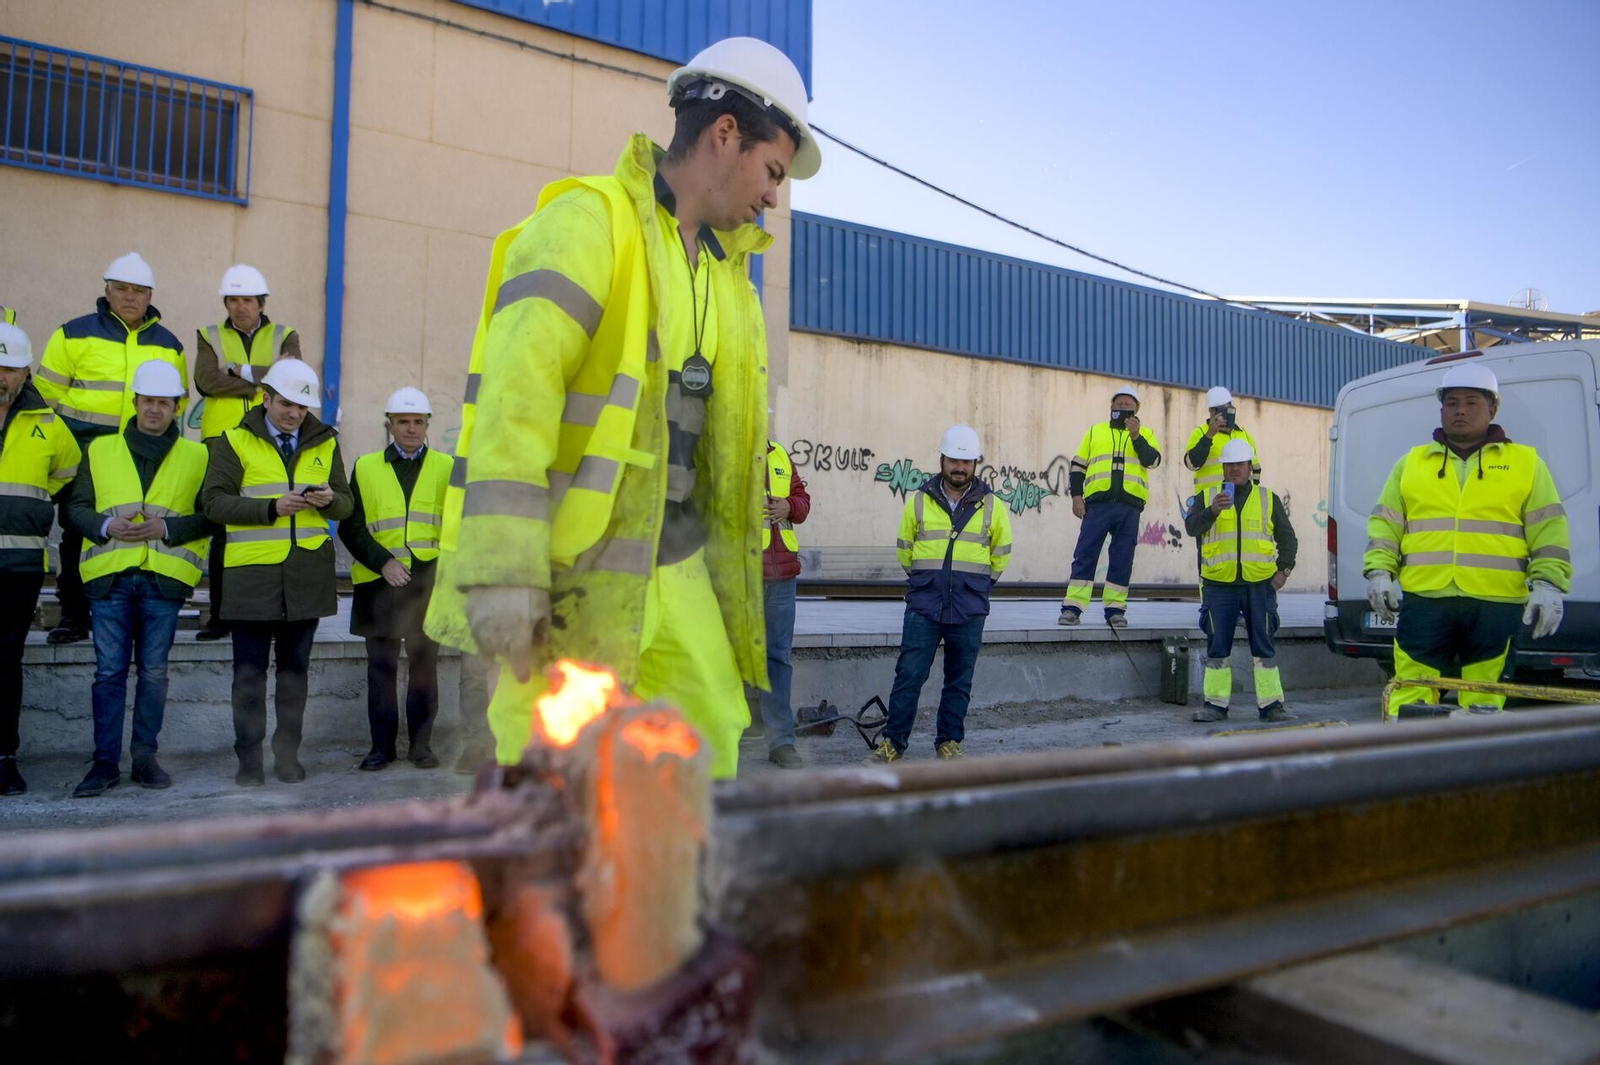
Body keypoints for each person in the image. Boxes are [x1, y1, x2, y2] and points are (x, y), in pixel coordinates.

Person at [424, 36, 820, 780]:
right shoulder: (589, 223)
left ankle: (661, 889)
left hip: (681, 566)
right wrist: (506, 570)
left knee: (703, 748)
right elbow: (515, 400)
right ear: (724, 134)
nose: (774, 195)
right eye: (772, 171)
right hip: (579, 573)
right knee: (556, 770)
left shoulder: (732, 279)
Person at [1364, 364, 1570, 717]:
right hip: (1426, 600)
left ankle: (1477, 768)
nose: (1460, 410)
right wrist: (1379, 573)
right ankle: (1407, 763)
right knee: (1411, 693)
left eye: (1472, 402)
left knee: (1484, 699)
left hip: (1495, 603)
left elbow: (1549, 530)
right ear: (1441, 409)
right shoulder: (1411, 464)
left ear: (1492, 409)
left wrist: (1549, 585)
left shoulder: (1526, 464)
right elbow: (1385, 526)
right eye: (1452, 402)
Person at [68, 361, 217, 796]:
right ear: (135, 403)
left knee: (153, 674)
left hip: (163, 581)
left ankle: (145, 758)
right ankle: (104, 763)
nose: (155, 409)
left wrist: (168, 529)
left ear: (177, 407)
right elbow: (76, 507)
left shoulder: (199, 455)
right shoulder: (100, 449)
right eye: (148, 401)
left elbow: (212, 515)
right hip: (110, 579)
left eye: (164, 403)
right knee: (109, 674)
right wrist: (104, 526)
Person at [201, 359, 352, 785]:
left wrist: (329, 501)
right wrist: (271, 508)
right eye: (286, 404)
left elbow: (347, 502)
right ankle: (249, 762)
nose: (293, 414)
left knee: (294, 677)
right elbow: (212, 503)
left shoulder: (325, 443)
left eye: (302, 409)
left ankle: (287, 756)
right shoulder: (234, 441)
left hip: (305, 579)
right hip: (251, 580)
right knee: (248, 677)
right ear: (265, 398)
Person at [35, 253, 188, 646]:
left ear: (150, 294)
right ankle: (73, 615)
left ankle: (132, 617)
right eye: (122, 289)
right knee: (77, 534)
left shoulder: (169, 344)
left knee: (141, 536)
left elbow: (176, 402)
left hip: (144, 459)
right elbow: (45, 400)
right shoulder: (72, 334)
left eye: (138, 291)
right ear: (107, 290)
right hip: (84, 456)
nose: (130, 297)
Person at [867, 425, 1012, 763]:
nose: (959, 468)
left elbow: (1001, 554)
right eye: (953, 461)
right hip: (925, 603)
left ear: (976, 464)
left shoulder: (992, 506)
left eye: (966, 462)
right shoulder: (919, 500)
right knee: (909, 676)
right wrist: (927, 580)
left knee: (959, 680)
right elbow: (905, 549)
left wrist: (975, 585)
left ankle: (948, 742)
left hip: (969, 604)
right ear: (942, 460)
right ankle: (893, 744)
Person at [339, 387, 452, 771]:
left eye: (418, 422)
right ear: (389, 425)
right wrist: (383, 561)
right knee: (381, 670)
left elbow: (454, 526)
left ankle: (421, 745)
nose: (410, 429)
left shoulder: (446, 467)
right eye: (402, 422)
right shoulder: (366, 466)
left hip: (426, 581)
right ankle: (381, 748)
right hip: (379, 580)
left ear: (427, 425)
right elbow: (350, 528)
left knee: (424, 667)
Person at [193, 265, 301, 641]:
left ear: (262, 303)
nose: (241, 307)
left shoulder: (285, 334)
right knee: (223, 529)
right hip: (222, 441)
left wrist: (238, 371)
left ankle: (270, 610)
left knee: (271, 524)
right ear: (226, 302)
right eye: (234, 300)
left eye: (248, 300)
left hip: (270, 440)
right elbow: (207, 381)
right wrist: (262, 383)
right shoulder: (209, 335)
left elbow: (292, 379)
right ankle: (220, 616)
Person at [0, 324, 83, 796]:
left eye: (9, 368)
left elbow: (65, 476)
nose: (1, 377)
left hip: (19, 565)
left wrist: (29, 508)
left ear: (26, 371)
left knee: (6, 662)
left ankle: (4, 757)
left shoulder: (49, 423)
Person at [1183, 440, 1296, 723]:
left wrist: (1283, 572)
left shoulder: (1268, 498)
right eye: (1229, 465)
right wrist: (1212, 511)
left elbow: (1288, 538)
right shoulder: (1206, 496)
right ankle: (1215, 705)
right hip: (1219, 584)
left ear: (1249, 468)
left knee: (1264, 644)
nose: (1234, 470)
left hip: (1260, 584)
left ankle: (1272, 706)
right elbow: (1191, 528)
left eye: (1239, 465)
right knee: (1217, 645)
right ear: (1223, 468)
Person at [1060, 384, 1162, 627]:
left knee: (1122, 558)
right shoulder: (1095, 432)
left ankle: (1115, 609)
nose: (1123, 407)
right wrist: (1076, 496)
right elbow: (1078, 466)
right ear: (1111, 407)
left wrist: (1136, 436)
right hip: (1098, 505)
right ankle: (1073, 607)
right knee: (1085, 554)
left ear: (1137, 409)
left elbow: (1153, 460)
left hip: (1129, 506)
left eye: (1128, 404)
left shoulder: (1145, 433)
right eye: (1119, 403)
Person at [755, 434, 810, 768]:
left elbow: (802, 501)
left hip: (782, 576)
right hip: (741, 574)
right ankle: (725, 739)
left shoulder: (779, 455)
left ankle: (780, 742)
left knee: (777, 659)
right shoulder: (726, 450)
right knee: (729, 659)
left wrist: (790, 506)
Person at [1184, 386, 1260, 494]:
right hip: (1208, 499)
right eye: (1219, 410)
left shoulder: (1244, 434)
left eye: (1227, 408)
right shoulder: (1200, 432)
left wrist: (1253, 492)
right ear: (1210, 411)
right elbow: (1191, 464)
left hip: (1241, 501)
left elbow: (1256, 468)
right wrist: (1209, 435)